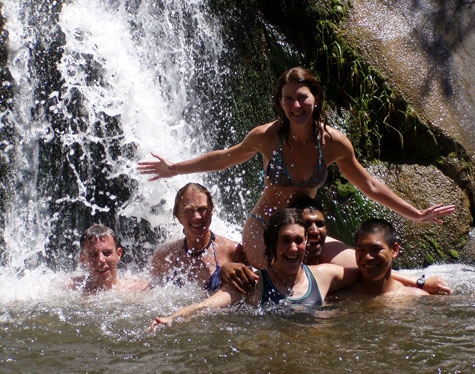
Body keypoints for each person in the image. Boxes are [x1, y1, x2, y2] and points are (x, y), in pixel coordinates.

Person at [138, 66, 455, 269]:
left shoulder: (334, 144)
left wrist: (416, 214)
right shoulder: (266, 137)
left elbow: (369, 185)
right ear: (281, 102)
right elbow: (223, 157)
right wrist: (174, 168)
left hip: (308, 231)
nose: (295, 105)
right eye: (288, 99)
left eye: (301, 97)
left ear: (315, 98)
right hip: (265, 229)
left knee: (359, 270)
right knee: (294, 287)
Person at [150, 208, 359, 330]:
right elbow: (207, 306)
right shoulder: (253, 283)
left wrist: (394, 282)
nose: (293, 248)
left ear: (306, 240)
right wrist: (172, 319)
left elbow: (370, 276)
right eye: (285, 240)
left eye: (298, 240)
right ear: (271, 243)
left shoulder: (325, 275)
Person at [222, 196, 451, 295]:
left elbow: (374, 270)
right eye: (307, 226)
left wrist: (420, 282)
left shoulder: (333, 255)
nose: (314, 232)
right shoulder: (282, 252)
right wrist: (225, 269)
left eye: (320, 225)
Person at [150, 183, 249, 292]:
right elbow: (148, 295)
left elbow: (252, 296)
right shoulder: (164, 256)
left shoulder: (233, 251)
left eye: (202, 209)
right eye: (188, 211)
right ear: (178, 216)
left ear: (212, 210)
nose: (197, 217)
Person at [334, 218, 432, 298]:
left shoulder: (416, 298)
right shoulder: (340, 297)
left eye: (375, 249)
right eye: (361, 250)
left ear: (394, 250)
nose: (367, 257)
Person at [70, 224, 150, 294]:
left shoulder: (139, 289)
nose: (101, 259)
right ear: (83, 259)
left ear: (118, 254)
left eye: (107, 253)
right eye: (93, 254)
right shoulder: (72, 288)